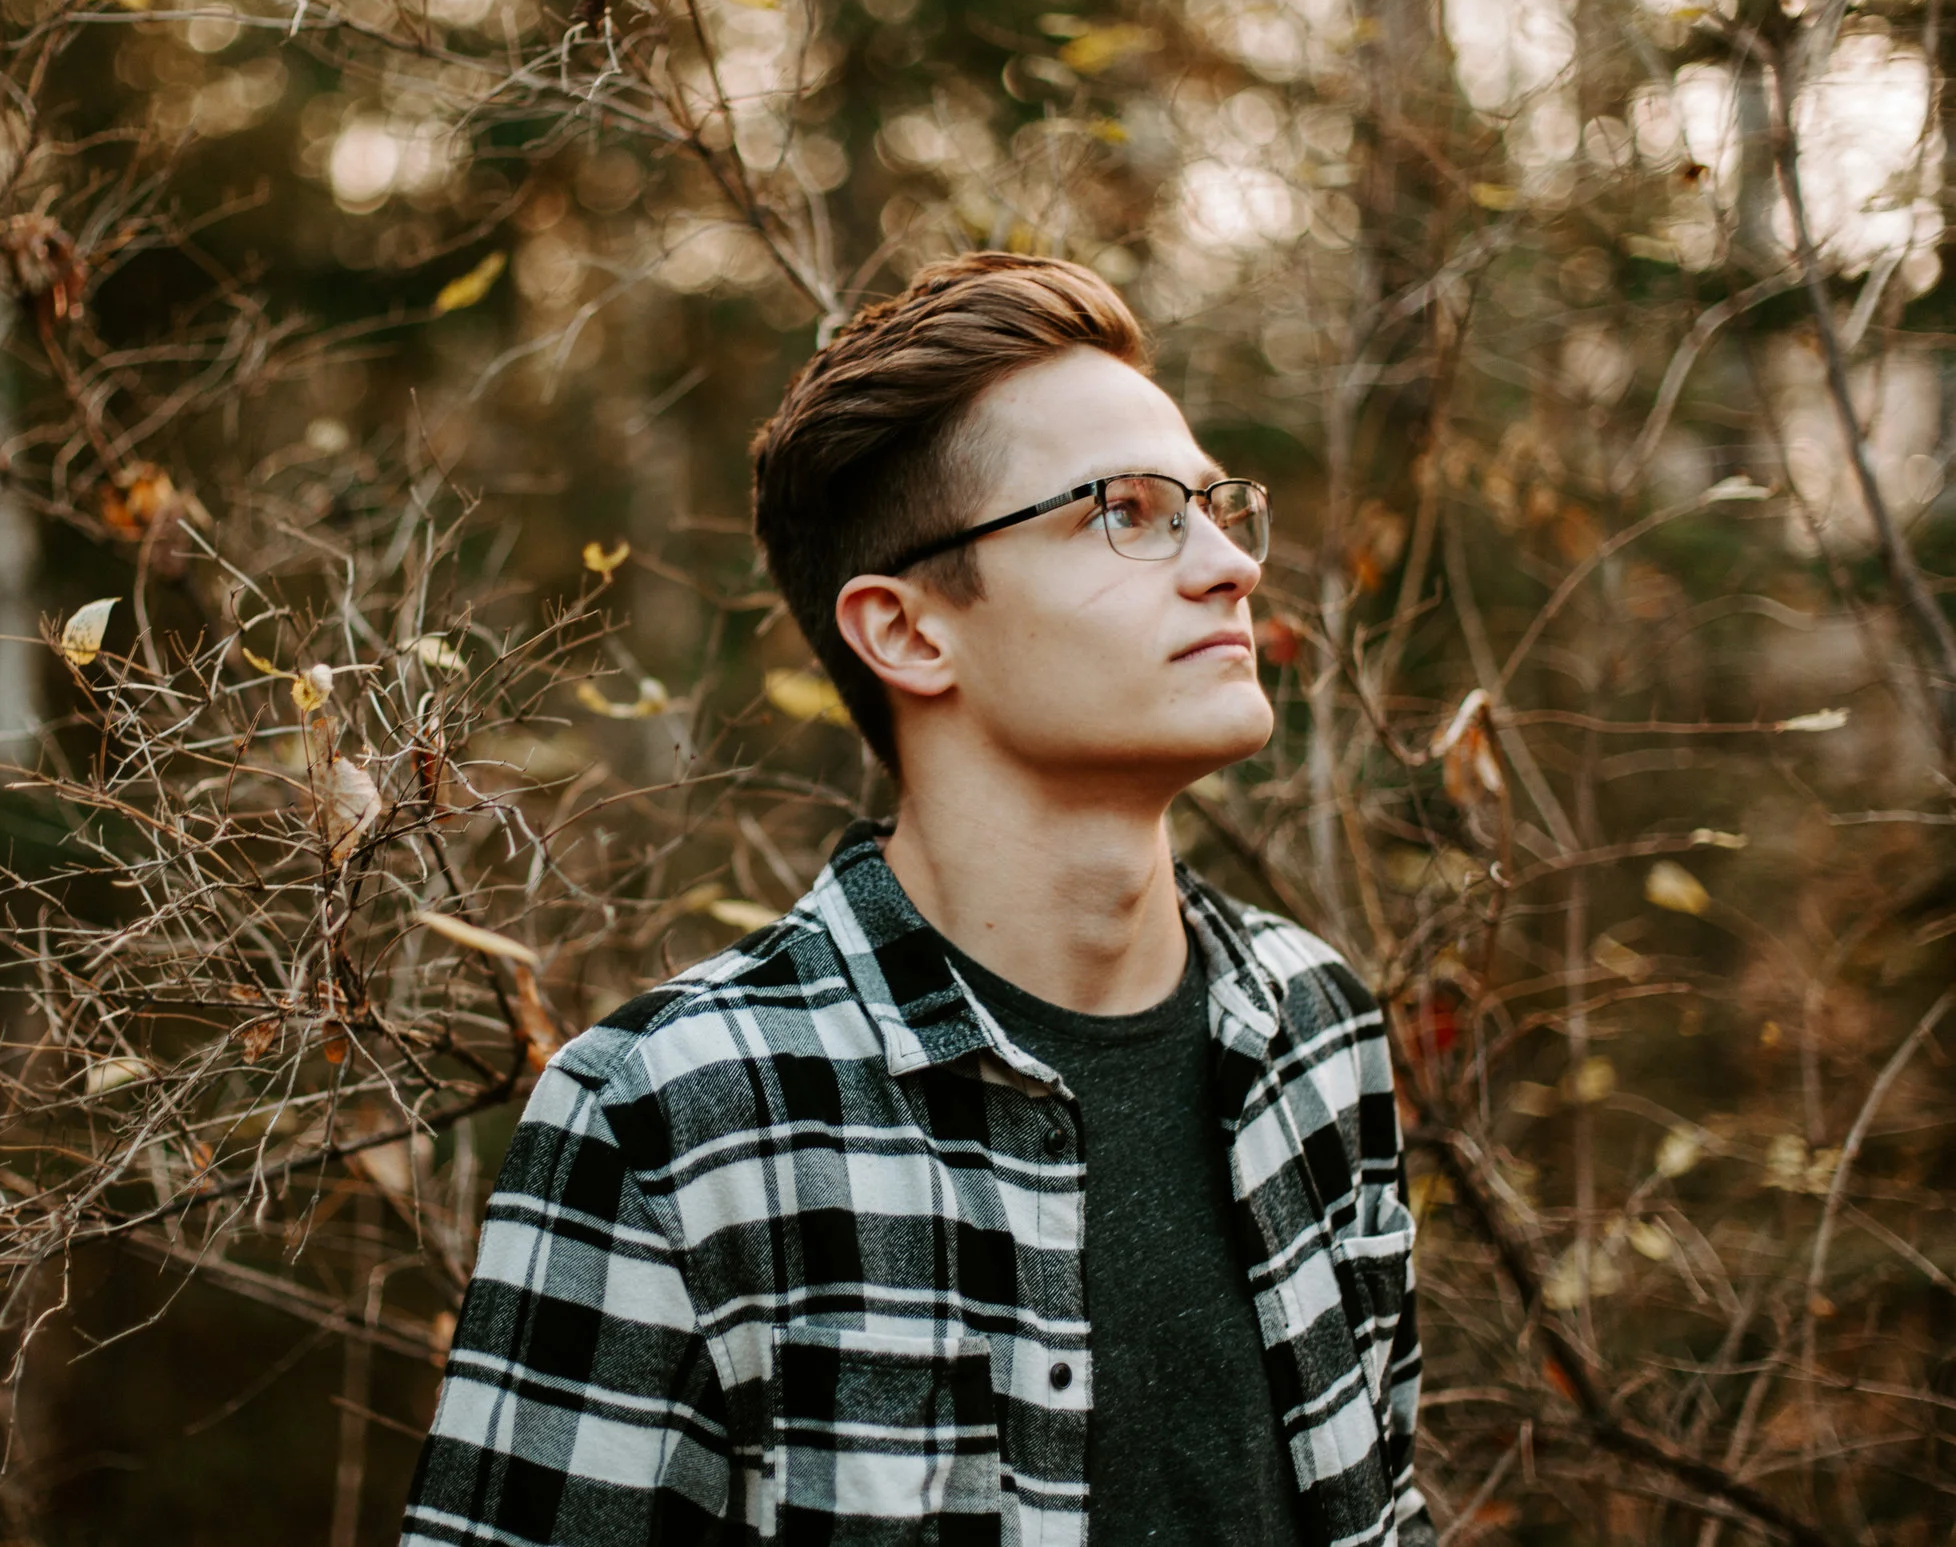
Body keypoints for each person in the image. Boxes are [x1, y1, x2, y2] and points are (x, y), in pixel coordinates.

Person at [400, 253, 1429, 1547]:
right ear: (906, 631)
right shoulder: (673, 1119)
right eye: (1129, 510)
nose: (1227, 563)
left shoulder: (1318, 1033)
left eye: (1217, 506)